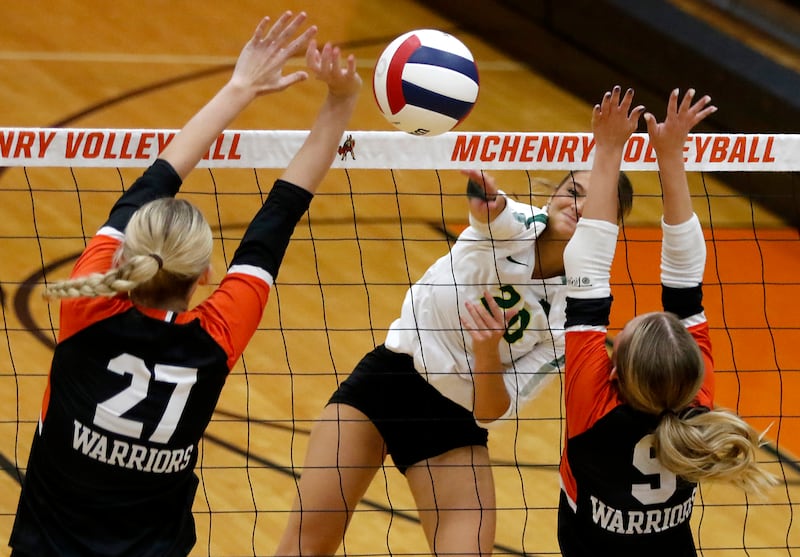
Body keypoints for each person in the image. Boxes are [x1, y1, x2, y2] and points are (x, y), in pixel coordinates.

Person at [9, 11, 361, 557]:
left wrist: (239, 85)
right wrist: (340, 100)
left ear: (125, 253)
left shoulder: (90, 303)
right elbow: (281, 215)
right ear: (205, 277)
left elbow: (160, 177)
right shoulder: (214, 338)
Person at [274, 155, 633, 552]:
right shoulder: (519, 225)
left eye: (597, 205)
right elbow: (493, 213)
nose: (579, 207)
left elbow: (491, 410)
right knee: (303, 547)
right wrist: (484, 196)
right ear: (552, 197)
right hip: (386, 383)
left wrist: (486, 351)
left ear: (610, 229)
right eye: (573, 192)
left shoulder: (579, 311)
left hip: (452, 421)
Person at [557, 86, 777, 557]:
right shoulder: (691, 404)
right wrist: (668, 156)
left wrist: (613, 148)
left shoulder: (608, 407)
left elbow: (595, 264)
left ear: (612, 371)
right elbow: (665, 275)